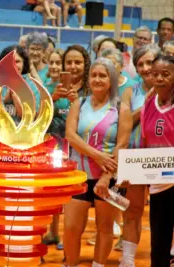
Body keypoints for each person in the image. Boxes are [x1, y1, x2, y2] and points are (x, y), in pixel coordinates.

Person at [64, 58, 132, 267]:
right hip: (79, 175)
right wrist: (97, 155)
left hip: (107, 178)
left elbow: (122, 145)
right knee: (71, 227)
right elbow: (70, 136)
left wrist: (106, 177)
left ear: (111, 80)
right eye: (94, 75)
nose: (97, 79)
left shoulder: (122, 108)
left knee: (104, 228)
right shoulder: (80, 103)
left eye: (102, 75)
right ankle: (71, 264)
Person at [119, 44, 161, 267]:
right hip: (135, 157)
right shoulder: (130, 91)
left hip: (163, 158)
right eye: (140, 64)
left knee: (165, 211)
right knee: (132, 210)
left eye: (150, 62)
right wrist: (147, 100)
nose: (145, 68)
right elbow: (125, 124)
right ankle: (127, 260)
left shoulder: (170, 87)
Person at [141, 54, 174, 267]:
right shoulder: (148, 102)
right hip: (157, 184)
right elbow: (145, 141)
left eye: (166, 74)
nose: (160, 78)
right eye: (155, 74)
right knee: (159, 245)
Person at [42, 48, 67, 251]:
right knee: (48, 192)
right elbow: (39, 114)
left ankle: (62, 235)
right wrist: (52, 97)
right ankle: (51, 232)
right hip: (49, 145)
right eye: (52, 62)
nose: (55, 66)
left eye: (59, 62)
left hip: (68, 146)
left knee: (65, 192)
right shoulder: (44, 88)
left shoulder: (75, 89)